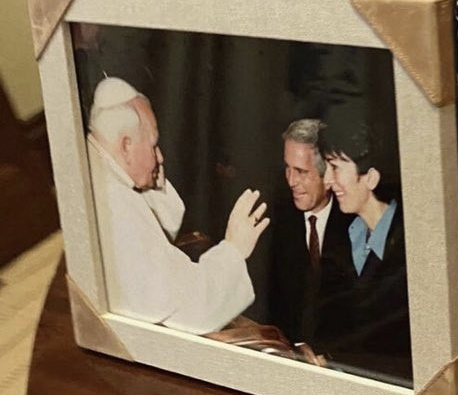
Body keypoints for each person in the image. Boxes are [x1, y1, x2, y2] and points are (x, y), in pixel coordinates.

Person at [87, 77, 269, 335]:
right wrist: (234, 249)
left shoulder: (96, 164)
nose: (160, 157)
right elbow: (194, 311)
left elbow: (154, 242)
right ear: (126, 145)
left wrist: (149, 178)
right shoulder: (116, 208)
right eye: (153, 145)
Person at [316, 122, 411, 384]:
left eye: (335, 167)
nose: (327, 180)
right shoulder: (343, 235)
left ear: (371, 178)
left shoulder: (410, 242)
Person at [269, 119, 353, 344]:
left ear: (328, 174)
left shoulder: (355, 221)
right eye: (287, 168)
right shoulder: (276, 216)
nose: (291, 181)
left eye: (301, 171)